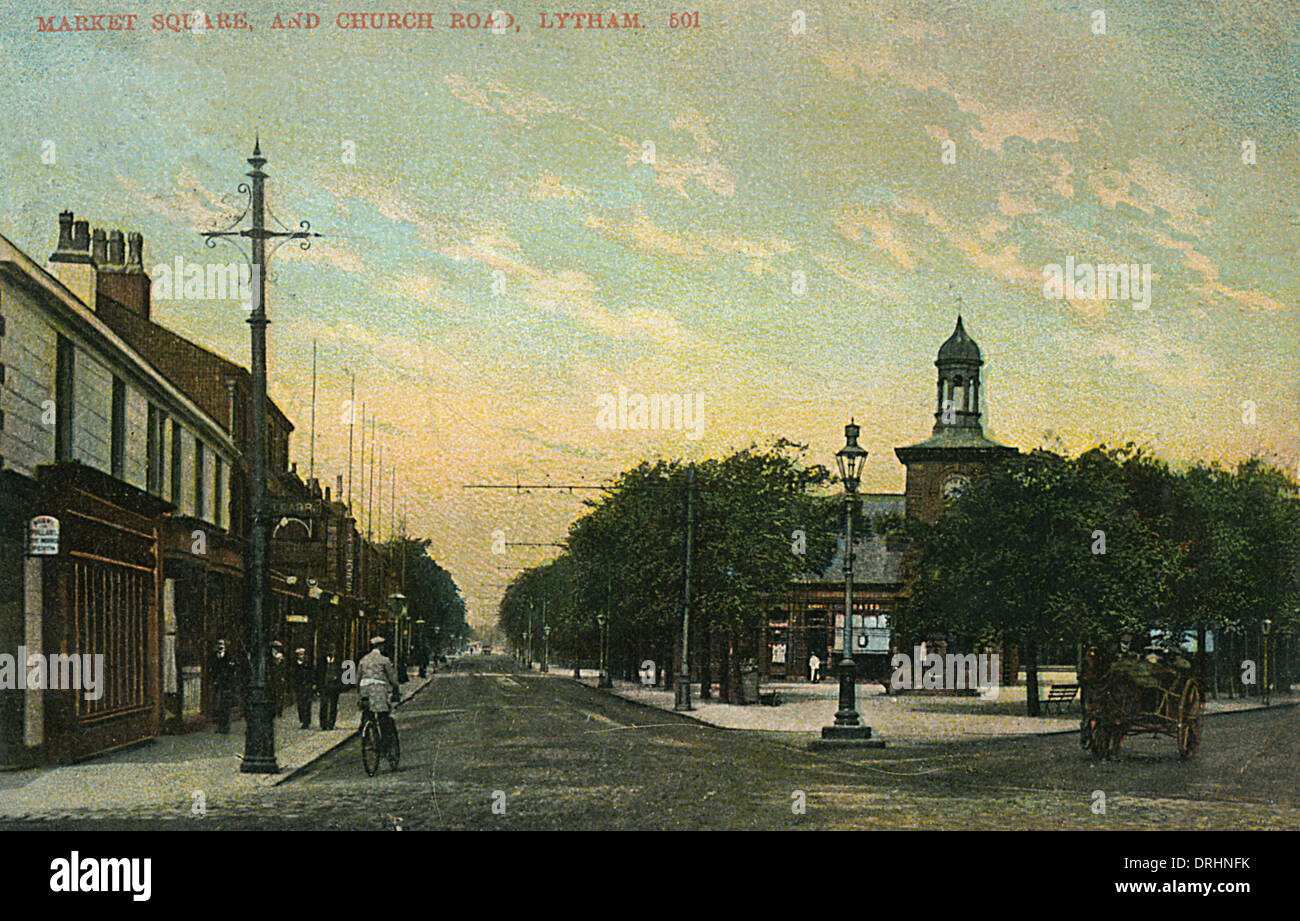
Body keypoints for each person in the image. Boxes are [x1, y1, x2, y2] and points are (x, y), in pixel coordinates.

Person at [359, 636, 400, 756]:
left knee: (368, 713)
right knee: (383, 716)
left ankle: (366, 733)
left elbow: (358, 678)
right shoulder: (384, 660)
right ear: (381, 646)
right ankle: (385, 745)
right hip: (378, 691)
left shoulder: (363, 660)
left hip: (365, 689)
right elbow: (392, 678)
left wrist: (360, 694)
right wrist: (395, 690)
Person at [209, 637, 238, 733]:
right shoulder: (214, 657)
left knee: (226, 705)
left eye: (222, 644)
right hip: (218, 684)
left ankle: (226, 727)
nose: (220, 646)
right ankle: (220, 726)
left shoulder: (230, 657)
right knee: (218, 705)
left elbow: (232, 669)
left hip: (227, 684)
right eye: (219, 644)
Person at [318, 651, 343, 730]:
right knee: (323, 704)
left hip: (334, 686)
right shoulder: (322, 661)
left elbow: (341, 674)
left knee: (333, 705)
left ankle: (331, 723)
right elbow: (318, 674)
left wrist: (339, 685)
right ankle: (323, 724)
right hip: (325, 686)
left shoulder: (338, 662)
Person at [292, 647, 315, 729]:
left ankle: (307, 721)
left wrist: (312, 684)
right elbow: (293, 675)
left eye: (303, 654)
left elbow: (311, 674)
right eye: (300, 655)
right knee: (301, 704)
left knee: (307, 704)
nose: (302, 656)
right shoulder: (295, 665)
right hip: (299, 686)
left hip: (307, 686)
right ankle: (302, 719)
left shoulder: (307, 664)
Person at [269, 641, 286, 717]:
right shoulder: (271, 656)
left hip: (279, 678)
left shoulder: (281, 657)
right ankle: (275, 710)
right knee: (274, 695)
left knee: (279, 695)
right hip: (274, 678)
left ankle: (279, 710)